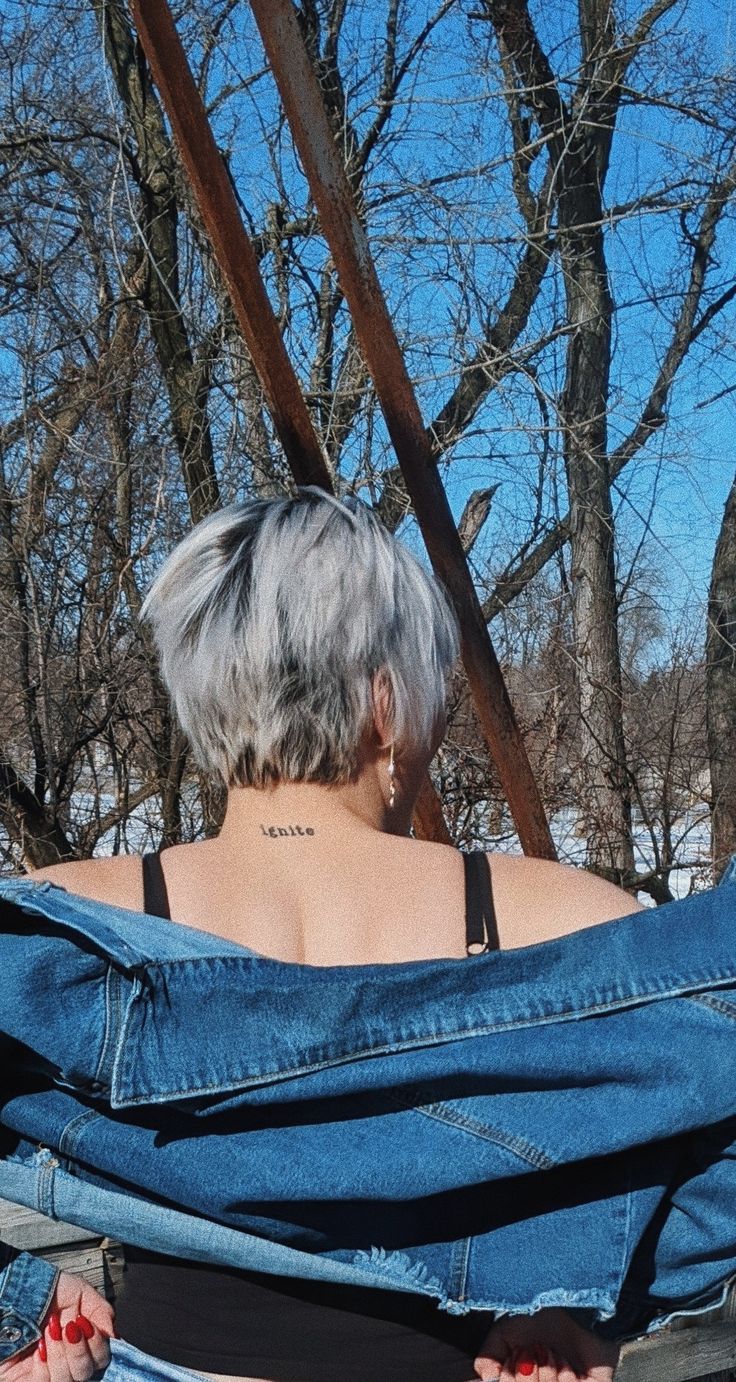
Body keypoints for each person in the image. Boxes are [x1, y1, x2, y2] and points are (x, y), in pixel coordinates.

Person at [4, 487, 646, 1382]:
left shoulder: (71, 918)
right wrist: (580, 1306)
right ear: (386, 704)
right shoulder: (560, 916)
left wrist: (14, 1307)